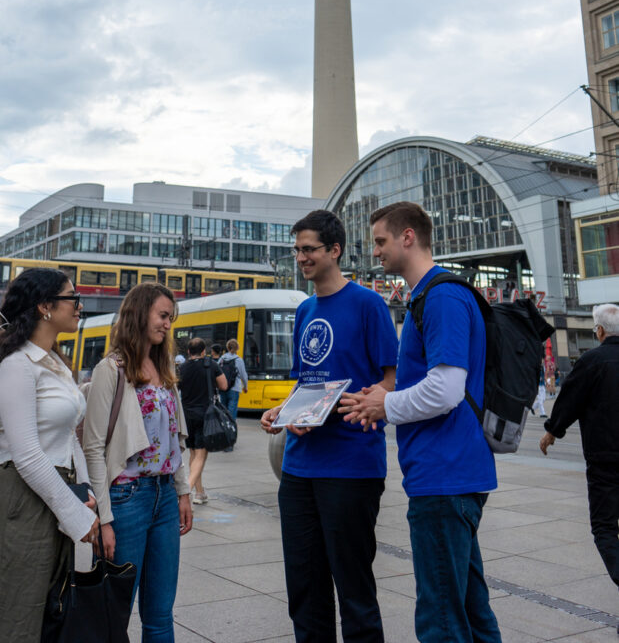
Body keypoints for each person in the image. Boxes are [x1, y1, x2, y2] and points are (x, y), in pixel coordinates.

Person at [340, 202, 501, 643]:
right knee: (469, 608)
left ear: (407, 237)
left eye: (380, 241)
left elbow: (446, 390)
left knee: (441, 618)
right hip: (450, 475)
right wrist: (385, 396)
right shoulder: (427, 296)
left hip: (443, 476)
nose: (375, 251)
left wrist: (385, 406)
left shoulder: (442, 296)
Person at [261, 209, 398, 643]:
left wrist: (358, 400)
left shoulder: (368, 304)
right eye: (297, 250)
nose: (301, 257)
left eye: (309, 249)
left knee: (354, 592)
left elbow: (392, 381)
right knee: (304, 589)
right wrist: (284, 412)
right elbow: (307, 383)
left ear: (334, 250)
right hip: (299, 468)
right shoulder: (305, 311)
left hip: (351, 466)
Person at [0, 268, 99, 643]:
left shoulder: (55, 364)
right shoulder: (17, 365)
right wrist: (75, 515)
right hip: (21, 504)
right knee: (14, 622)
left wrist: (86, 491)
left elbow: (69, 435)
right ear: (45, 307)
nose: (79, 306)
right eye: (71, 298)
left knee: (49, 619)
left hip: (53, 497)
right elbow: (26, 454)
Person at [82, 283, 193, 643]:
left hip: (164, 498)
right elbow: (94, 448)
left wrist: (183, 492)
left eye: (170, 319)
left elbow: (175, 439)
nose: (167, 325)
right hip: (127, 499)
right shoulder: (110, 369)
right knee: (115, 611)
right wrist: (105, 519)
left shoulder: (165, 372)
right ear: (140, 313)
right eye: (162, 316)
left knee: (160, 613)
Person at [540, 303, 619, 599]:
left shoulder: (592, 361)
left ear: (599, 331)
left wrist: (552, 430)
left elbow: (570, 398)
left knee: (604, 528)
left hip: (605, 461)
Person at [178, 338, 227, 504]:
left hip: (186, 415)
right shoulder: (210, 365)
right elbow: (224, 385)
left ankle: (200, 493)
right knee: (201, 455)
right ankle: (187, 492)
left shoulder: (181, 368)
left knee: (193, 453)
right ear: (204, 351)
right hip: (204, 414)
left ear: (188, 352)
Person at [218, 338, 248, 451]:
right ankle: (230, 442)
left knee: (223, 414)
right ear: (237, 348)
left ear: (227, 347)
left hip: (223, 388)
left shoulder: (222, 359)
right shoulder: (238, 360)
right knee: (232, 415)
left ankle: (223, 440)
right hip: (234, 389)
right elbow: (243, 375)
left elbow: (217, 372)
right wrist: (245, 386)